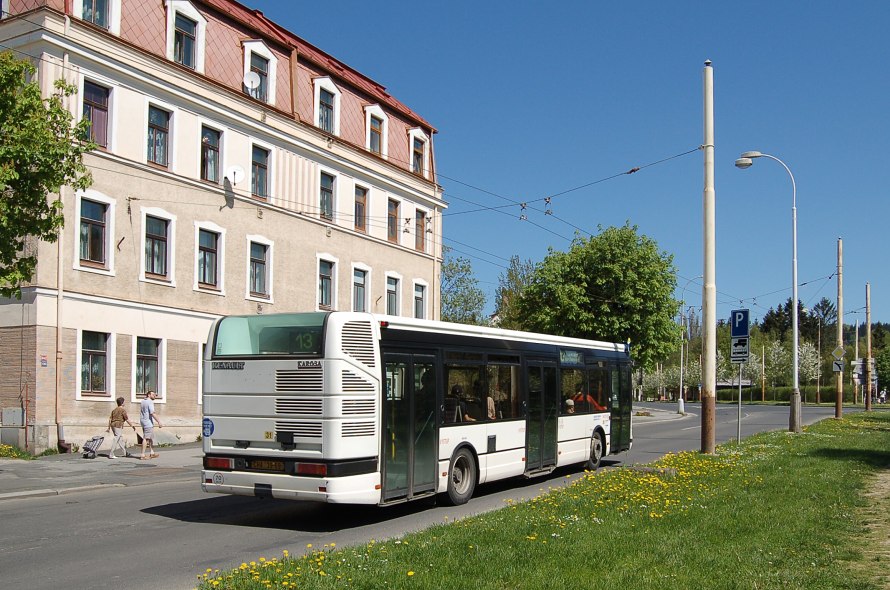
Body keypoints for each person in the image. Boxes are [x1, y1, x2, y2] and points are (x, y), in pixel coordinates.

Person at [139, 390, 163, 460]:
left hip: (143, 421)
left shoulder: (143, 401)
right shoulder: (150, 402)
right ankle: (142, 455)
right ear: (149, 395)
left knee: (150, 437)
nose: (155, 396)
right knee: (146, 438)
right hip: (148, 422)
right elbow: (152, 413)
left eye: (155, 395)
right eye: (153, 394)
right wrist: (159, 422)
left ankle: (152, 453)